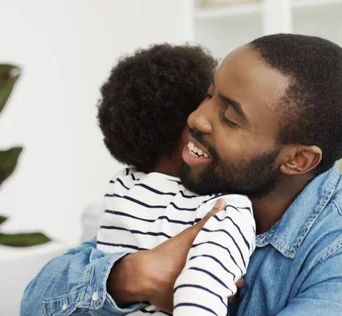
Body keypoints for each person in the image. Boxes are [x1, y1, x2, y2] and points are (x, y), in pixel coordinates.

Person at [21, 34, 342, 316]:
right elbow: (35, 302)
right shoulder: (184, 191)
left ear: (298, 160)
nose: (195, 118)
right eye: (209, 95)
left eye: (229, 118)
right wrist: (133, 275)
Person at [95, 43, 255, 316]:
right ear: (190, 132)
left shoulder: (121, 188)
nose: (205, 119)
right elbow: (201, 291)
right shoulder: (223, 207)